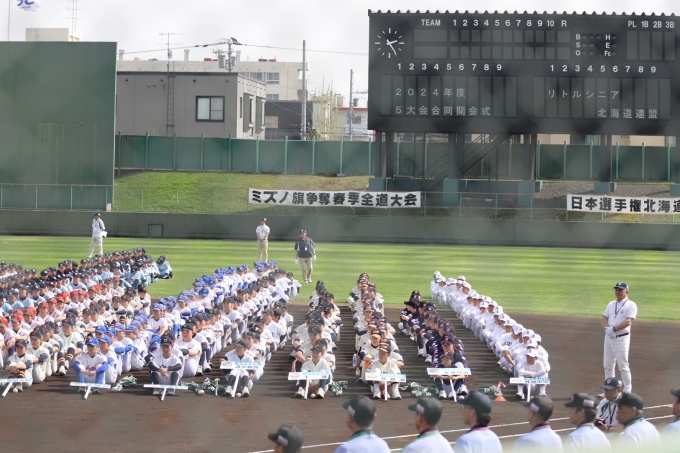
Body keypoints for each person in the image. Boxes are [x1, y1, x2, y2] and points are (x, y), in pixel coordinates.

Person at [601, 282, 637, 394]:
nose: (618, 292)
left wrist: (614, 329)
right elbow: (604, 317)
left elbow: (629, 321)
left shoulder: (631, 305)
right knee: (608, 365)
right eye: (617, 290)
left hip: (621, 339)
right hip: (609, 337)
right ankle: (609, 390)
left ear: (627, 292)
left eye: (621, 290)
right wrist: (607, 329)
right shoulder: (611, 304)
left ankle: (627, 391)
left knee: (623, 366)